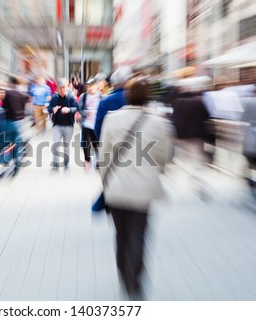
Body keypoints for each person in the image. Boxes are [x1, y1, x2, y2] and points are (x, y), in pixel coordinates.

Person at [98, 80, 173, 299]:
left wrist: (105, 183)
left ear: (127, 96)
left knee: (120, 235)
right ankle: (135, 281)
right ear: (148, 96)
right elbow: (165, 156)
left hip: (116, 187)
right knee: (139, 234)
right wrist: (154, 170)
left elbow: (104, 157)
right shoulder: (160, 122)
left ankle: (124, 276)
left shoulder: (112, 119)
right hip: (144, 188)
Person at [93, 67, 132, 211]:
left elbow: (97, 128)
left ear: (112, 84)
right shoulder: (133, 100)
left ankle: (113, 205)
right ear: (128, 82)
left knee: (110, 177)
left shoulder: (104, 102)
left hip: (110, 148)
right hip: (135, 148)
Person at [47, 79, 78, 170]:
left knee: (66, 145)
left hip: (68, 125)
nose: (62, 90)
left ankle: (66, 162)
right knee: (56, 144)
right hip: (57, 125)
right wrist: (53, 109)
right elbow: (48, 109)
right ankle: (55, 163)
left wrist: (69, 110)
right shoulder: (54, 98)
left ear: (66, 87)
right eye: (60, 88)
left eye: (64, 87)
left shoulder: (70, 97)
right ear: (57, 89)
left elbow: (76, 108)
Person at [1, 76, 28, 176]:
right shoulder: (22, 94)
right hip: (20, 122)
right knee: (17, 145)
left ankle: (5, 166)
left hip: (9, 122)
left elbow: (4, 107)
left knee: (6, 145)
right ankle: (16, 165)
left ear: (10, 83)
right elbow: (23, 108)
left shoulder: (8, 93)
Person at [77, 78, 101, 169]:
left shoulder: (100, 96)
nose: (90, 88)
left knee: (97, 143)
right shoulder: (84, 96)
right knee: (85, 143)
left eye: (92, 86)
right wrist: (86, 113)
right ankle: (87, 160)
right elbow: (79, 108)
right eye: (88, 86)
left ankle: (98, 161)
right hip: (86, 123)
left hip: (96, 124)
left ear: (96, 86)